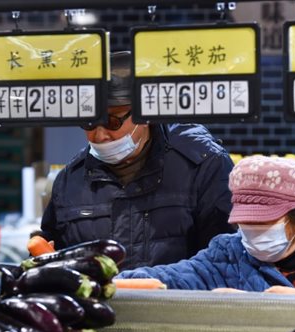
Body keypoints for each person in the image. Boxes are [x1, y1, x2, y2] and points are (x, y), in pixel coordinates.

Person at [39, 51, 235, 269]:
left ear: (145, 113)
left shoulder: (202, 165)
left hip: (181, 302)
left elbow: (226, 262)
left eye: (113, 122)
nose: (100, 135)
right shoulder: (70, 182)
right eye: (88, 122)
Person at [118, 156, 295, 297]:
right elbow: (170, 278)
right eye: (246, 222)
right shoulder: (225, 255)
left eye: (264, 221)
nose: (252, 231)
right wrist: (107, 281)